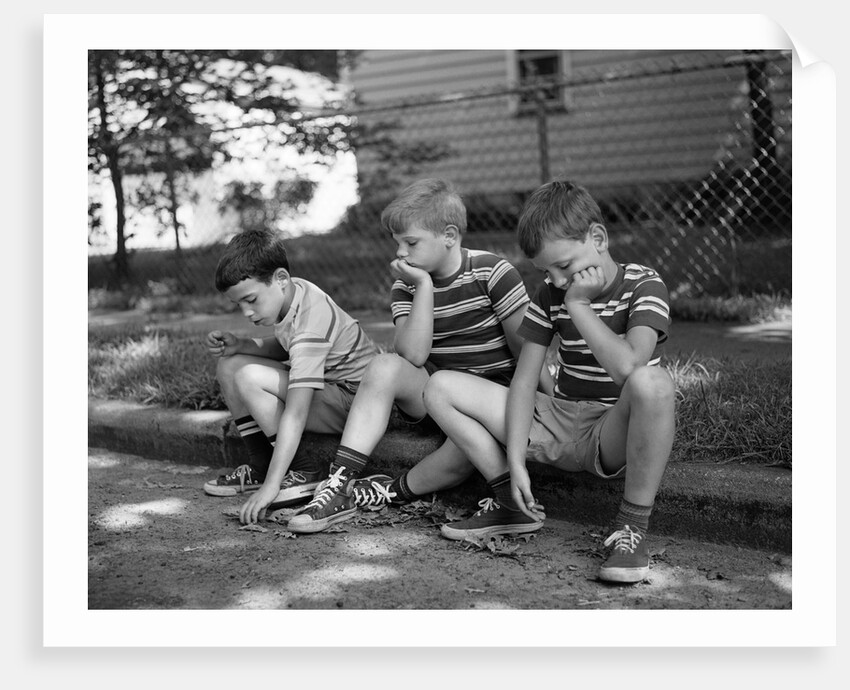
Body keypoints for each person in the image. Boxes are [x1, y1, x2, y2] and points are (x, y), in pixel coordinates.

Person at [423, 180, 675, 584]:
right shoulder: (550, 295)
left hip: (610, 429)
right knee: (440, 387)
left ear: (598, 238)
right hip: (555, 418)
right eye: (547, 271)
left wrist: (578, 305)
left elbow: (628, 369)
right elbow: (524, 381)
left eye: (565, 266)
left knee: (653, 384)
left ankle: (630, 529)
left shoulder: (644, 285)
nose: (558, 281)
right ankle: (509, 497)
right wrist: (516, 461)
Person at [286, 178, 537, 534]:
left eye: (411, 242)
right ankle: (340, 485)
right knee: (385, 364)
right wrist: (423, 288)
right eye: (397, 243)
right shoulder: (407, 284)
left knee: (461, 454)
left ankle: (393, 490)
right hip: (434, 394)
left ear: (449, 235)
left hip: (490, 399)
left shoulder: (492, 273)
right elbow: (412, 355)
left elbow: (526, 349)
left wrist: (547, 401)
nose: (400, 253)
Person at [201, 229, 378, 525]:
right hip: (331, 392)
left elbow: (296, 412)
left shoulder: (310, 319)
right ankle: (261, 465)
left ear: (280, 278)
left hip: (357, 403)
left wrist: (273, 488)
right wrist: (243, 345)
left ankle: (302, 471)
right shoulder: (294, 292)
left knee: (248, 376)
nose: (246, 312)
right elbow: (291, 348)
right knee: (229, 364)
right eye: (239, 304)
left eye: (251, 300)